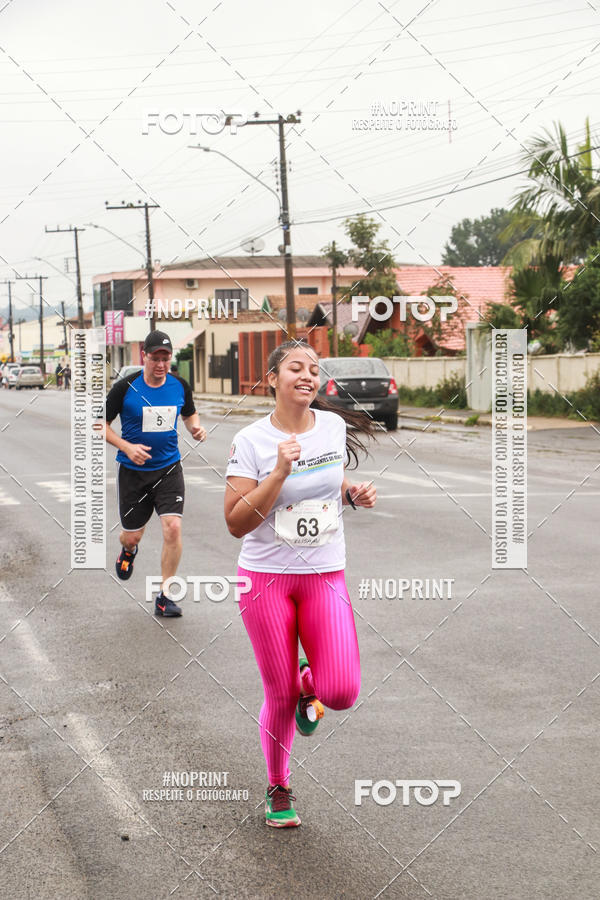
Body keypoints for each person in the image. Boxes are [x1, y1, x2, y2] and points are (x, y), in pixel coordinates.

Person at [224, 339, 377, 827]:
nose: (308, 375)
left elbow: (327, 484)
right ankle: (278, 786)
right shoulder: (250, 440)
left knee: (341, 691)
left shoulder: (331, 426)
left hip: (324, 574)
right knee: (280, 694)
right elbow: (234, 522)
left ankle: (310, 681)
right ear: (273, 379)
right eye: (296, 367)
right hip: (265, 579)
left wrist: (350, 492)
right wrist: (278, 472)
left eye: (314, 369)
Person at [102, 330, 207, 617]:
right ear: (144, 357)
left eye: (166, 358)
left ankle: (165, 595)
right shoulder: (125, 388)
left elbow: (189, 413)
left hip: (168, 468)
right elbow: (100, 425)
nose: (161, 364)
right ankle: (128, 551)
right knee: (132, 536)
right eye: (155, 358)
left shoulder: (179, 385)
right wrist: (126, 446)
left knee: (172, 526)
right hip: (133, 473)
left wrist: (195, 428)